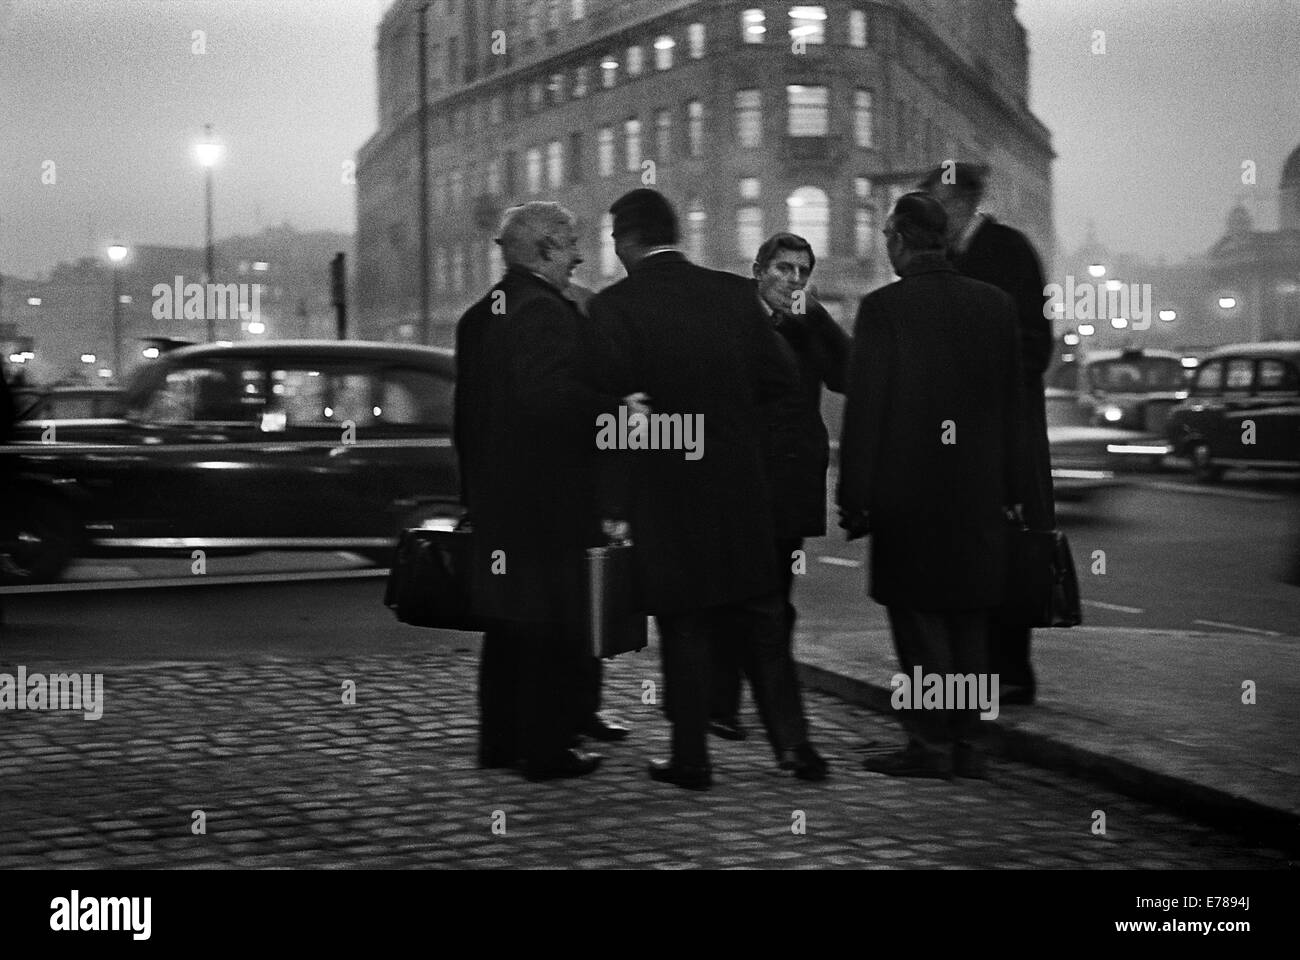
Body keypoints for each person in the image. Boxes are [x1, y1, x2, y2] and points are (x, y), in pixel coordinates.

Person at [584, 189, 826, 790]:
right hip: (743, 494)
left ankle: (690, 758)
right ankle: (796, 749)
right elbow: (780, 381)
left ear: (626, 240)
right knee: (765, 626)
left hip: (667, 501)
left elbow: (608, 412)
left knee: (686, 628)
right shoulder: (729, 295)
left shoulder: (614, 308)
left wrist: (616, 502)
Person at [838, 192, 1025, 779]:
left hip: (908, 497)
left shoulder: (884, 310)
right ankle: (969, 744)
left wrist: (854, 496)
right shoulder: (995, 306)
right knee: (970, 622)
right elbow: (1017, 408)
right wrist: (1018, 489)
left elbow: (866, 411)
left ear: (898, 239)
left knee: (921, 628)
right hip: (978, 496)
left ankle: (931, 744)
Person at [453, 201, 614, 781]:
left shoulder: (480, 317)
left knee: (507, 629)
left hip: (498, 503)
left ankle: (498, 743)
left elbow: (467, 420)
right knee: (550, 630)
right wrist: (617, 409)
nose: (579, 256)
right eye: (570, 243)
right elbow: (553, 405)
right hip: (548, 506)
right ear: (545, 250)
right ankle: (547, 751)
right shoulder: (547, 313)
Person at [921, 162, 1053, 706]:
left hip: (1000, 436)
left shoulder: (1008, 251)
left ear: (955, 205)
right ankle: (977, 673)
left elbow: (1033, 347)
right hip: (962, 440)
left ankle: (1011, 672)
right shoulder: (948, 260)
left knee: (1006, 548)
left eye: (932, 208)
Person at [709, 232, 849, 747]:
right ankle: (728, 707)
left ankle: (750, 707)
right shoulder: (731, 322)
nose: (791, 280)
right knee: (733, 599)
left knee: (775, 602)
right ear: (757, 269)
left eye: (802, 272)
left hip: (789, 483)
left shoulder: (808, 325)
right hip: (739, 482)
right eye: (783, 269)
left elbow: (848, 373)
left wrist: (816, 317)